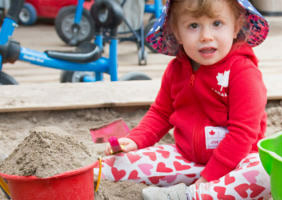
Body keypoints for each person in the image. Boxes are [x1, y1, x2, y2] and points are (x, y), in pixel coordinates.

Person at [96, 0, 271, 199]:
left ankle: (189, 195)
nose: (206, 36)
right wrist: (134, 140)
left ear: (236, 27)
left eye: (217, 23)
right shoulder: (176, 70)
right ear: (177, 32)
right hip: (186, 158)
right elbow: (160, 113)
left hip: (236, 162)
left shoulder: (242, 71)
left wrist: (208, 179)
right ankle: (92, 174)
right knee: (115, 164)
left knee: (264, 173)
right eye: (193, 26)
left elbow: (243, 133)